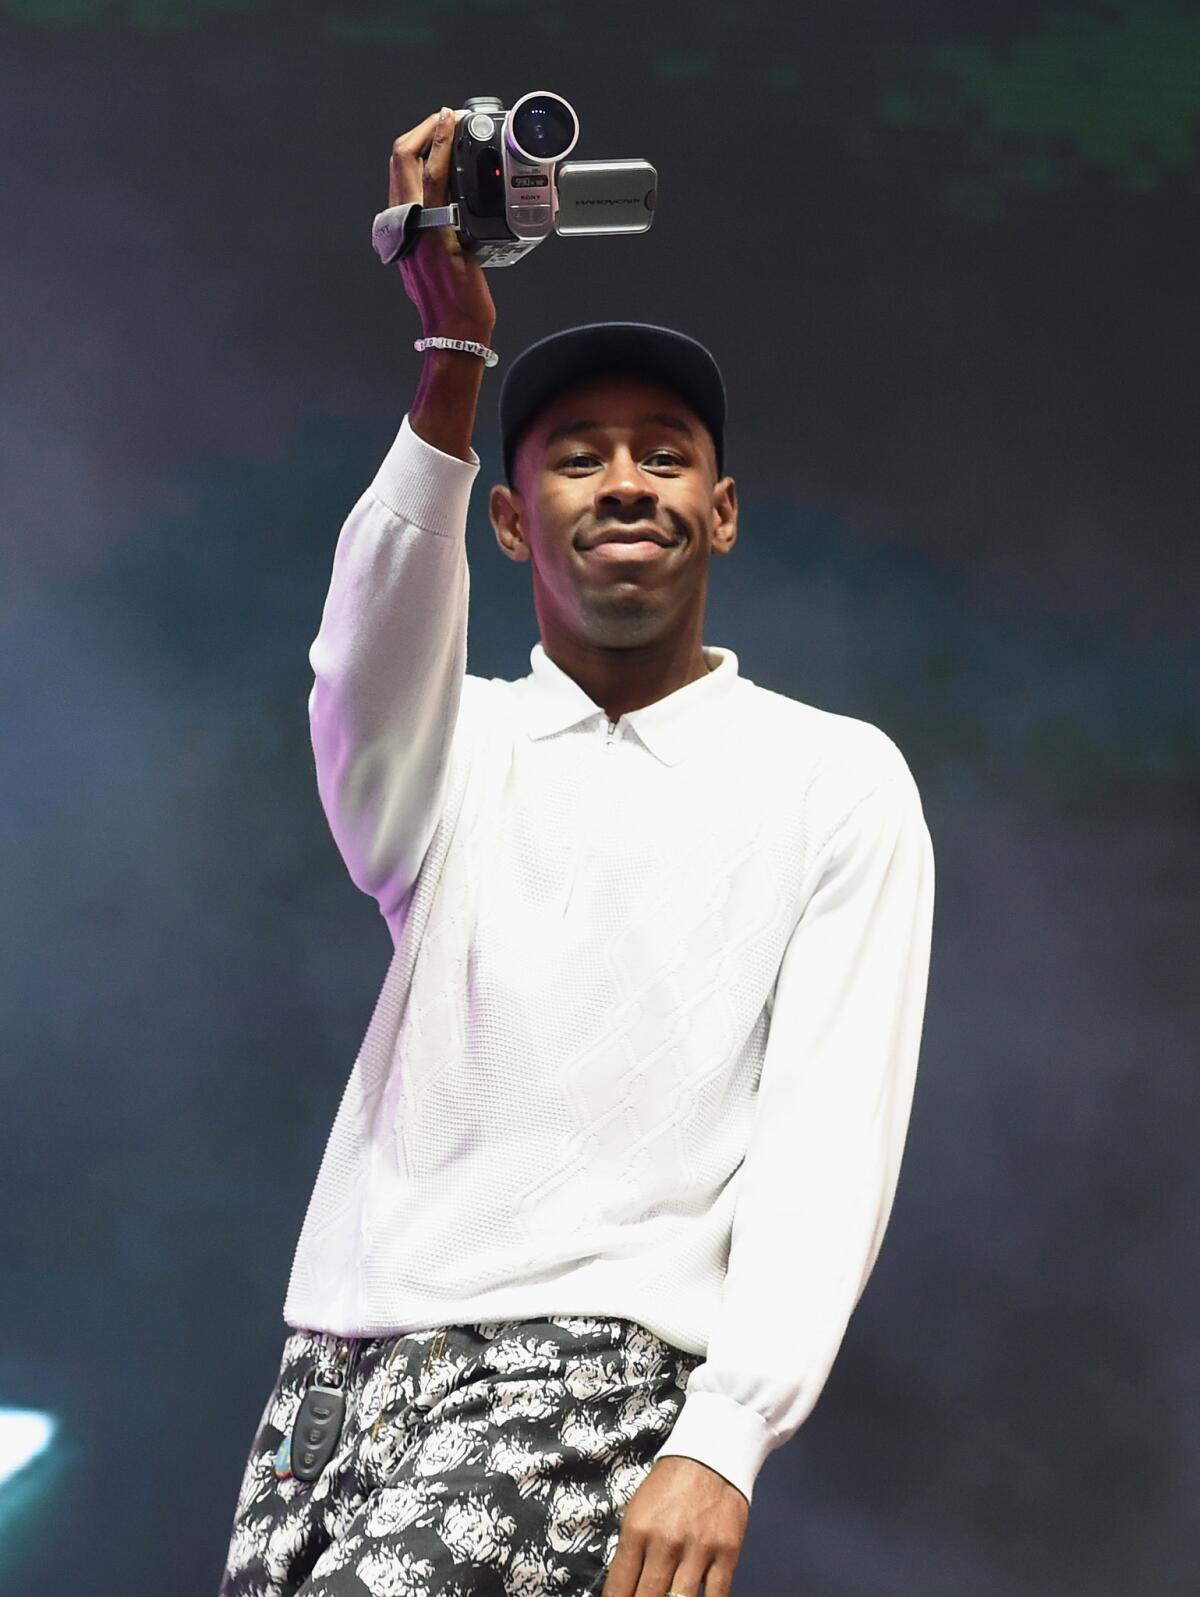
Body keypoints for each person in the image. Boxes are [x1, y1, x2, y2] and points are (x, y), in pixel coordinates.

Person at [216, 105, 936, 1597]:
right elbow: (358, 659)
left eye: (665, 457)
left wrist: (726, 1432)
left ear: (721, 512)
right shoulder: (452, 753)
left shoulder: (831, 777)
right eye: (580, 459)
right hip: (331, 1379)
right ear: (503, 518)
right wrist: (451, 357)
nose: (625, 482)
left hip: (584, 1366)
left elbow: (829, 1134)